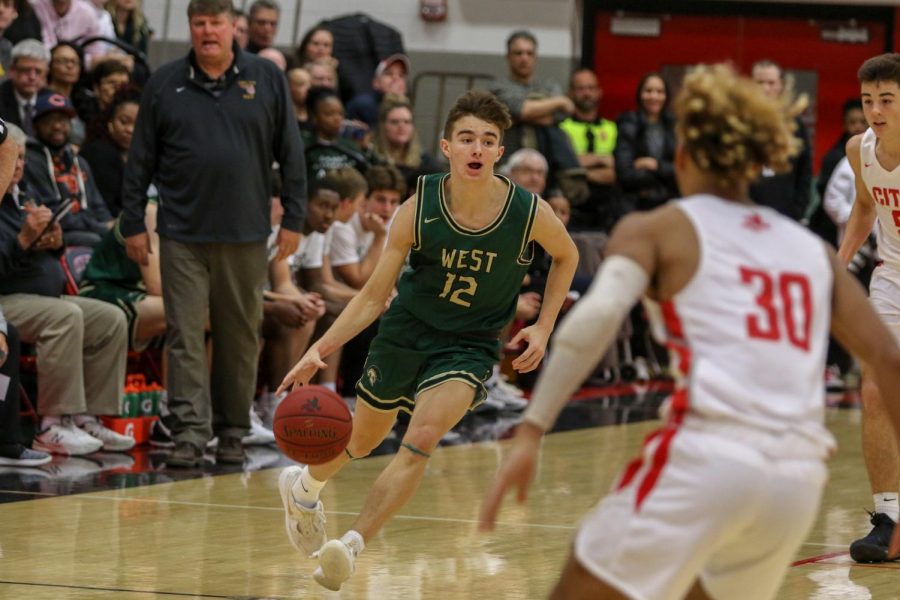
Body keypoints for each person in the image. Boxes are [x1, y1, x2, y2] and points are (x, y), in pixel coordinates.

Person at [479, 62, 900, 600]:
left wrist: (533, 428)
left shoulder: (658, 228)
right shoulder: (810, 251)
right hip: (795, 482)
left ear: (683, 153)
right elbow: (887, 363)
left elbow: (592, 323)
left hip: (709, 459)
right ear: (762, 158)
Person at [276, 89, 579, 591]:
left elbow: (567, 256)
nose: (477, 149)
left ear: (500, 151)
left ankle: (350, 546)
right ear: (447, 147)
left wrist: (544, 326)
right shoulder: (419, 207)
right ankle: (304, 486)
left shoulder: (528, 211)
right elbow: (373, 298)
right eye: (467, 139)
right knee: (362, 439)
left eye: (488, 140)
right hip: (406, 332)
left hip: (470, 344)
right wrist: (318, 350)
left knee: (420, 439)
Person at [119, 0, 306, 468]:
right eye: (199, 23)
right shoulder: (164, 82)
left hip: (245, 233)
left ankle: (232, 431)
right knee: (184, 332)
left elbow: (292, 151)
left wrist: (296, 218)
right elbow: (139, 159)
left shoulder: (266, 77)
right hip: (181, 232)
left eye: (216, 23)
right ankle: (188, 432)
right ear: (190, 27)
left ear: (232, 27)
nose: (208, 31)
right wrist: (131, 223)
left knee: (239, 335)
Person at [0, 122, 133, 455]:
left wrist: (56, 243)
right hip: (6, 301)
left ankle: (89, 418)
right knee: (66, 315)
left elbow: (40, 251)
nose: (18, 165)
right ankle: (52, 424)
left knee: (110, 317)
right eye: (11, 157)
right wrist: (24, 239)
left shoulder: (25, 195)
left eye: (21, 158)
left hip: (40, 295)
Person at [837, 52, 900, 564]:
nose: (875, 110)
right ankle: (889, 518)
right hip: (892, 282)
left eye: (887, 100)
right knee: (875, 389)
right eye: (867, 100)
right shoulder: (861, 149)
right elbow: (864, 205)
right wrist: (839, 262)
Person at [24, 91, 113, 247]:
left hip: (87, 229)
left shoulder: (80, 162)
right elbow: (53, 214)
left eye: (63, 120)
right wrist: (101, 228)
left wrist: (113, 226)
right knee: (99, 241)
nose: (57, 126)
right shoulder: (31, 161)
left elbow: (99, 206)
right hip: (54, 234)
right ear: (36, 126)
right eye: (49, 121)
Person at [749, 59, 812, 221]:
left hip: (785, 212)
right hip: (746, 210)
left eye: (771, 82)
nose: (765, 88)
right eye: (759, 82)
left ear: (780, 85)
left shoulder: (794, 123)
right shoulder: (741, 122)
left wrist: (798, 210)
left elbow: (804, 170)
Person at [560, 68, 619, 231]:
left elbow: (617, 173)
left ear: (599, 92)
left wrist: (580, 169)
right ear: (571, 93)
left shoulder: (613, 128)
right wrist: (601, 160)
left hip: (607, 211)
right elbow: (564, 166)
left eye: (591, 88)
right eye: (581, 88)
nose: (586, 93)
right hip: (573, 211)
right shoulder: (562, 128)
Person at [614, 71, 678, 213]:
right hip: (635, 206)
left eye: (659, 91)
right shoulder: (628, 124)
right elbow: (625, 174)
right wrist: (665, 175)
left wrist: (655, 165)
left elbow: (682, 172)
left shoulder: (675, 126)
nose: (654, 96)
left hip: (669, 205)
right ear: (640, 95)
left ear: (666, 96)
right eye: (648, 91)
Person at [0, 39, 48, 137]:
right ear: (12, 70)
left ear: (46, 73)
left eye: (38, 71)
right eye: (26, 70)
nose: (32, 77)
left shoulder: (51, 100)